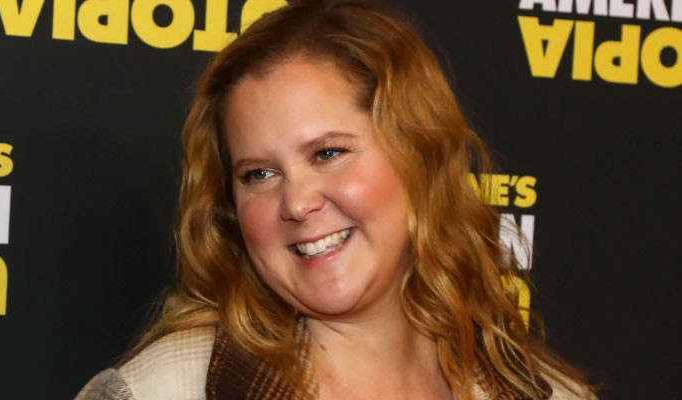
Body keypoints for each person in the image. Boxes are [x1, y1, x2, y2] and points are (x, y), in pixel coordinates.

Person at [76, 1, 595, 399]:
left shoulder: (549, 395)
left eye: (327, 153)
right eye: (259, 173)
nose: (296, 202)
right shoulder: (160, 391)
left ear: (419, 156)